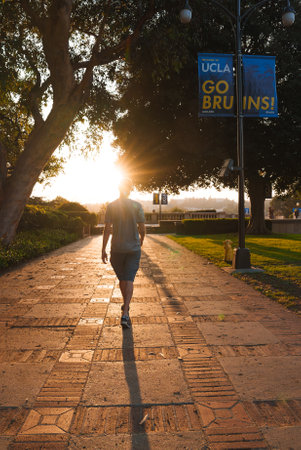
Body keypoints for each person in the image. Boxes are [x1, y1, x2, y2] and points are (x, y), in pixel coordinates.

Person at [102, 178, 145, 329]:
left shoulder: (112, 206)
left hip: (117, 248)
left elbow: (107, 229)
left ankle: (125, 311)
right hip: (133, 248)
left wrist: (103, 249)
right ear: (130, 189)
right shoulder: (137, 206)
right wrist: (141, 240)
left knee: (124, 279)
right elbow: (142, 228)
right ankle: (126, 307)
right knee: (127, 279)